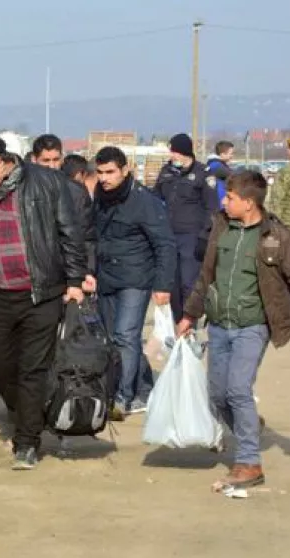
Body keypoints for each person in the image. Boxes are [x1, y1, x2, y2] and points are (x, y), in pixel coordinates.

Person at [0, 122, 87, 471]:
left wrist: (74, 279)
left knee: (32, 369)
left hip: (40, 293)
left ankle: (27, 442)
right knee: (0, 365)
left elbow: (70, 232)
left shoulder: (46, 182)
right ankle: (30, 413)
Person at [177, 170, 290, 490]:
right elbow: (205, 276)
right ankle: (248, 423)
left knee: (238, 389)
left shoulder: (278, 238)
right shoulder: (220, 228)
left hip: (253, 326)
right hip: (219, 325)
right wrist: (189, 315)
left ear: (249, 203)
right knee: (218, 395)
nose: (224, 202)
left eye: (231, 198)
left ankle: (250, 463)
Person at [92, 147, 176, 418]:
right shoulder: (100, 197)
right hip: (106, 277)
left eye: (110, 172)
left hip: (136, 279)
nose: (104, 178)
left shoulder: (145, 201)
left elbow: (164, 244)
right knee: (114, 339)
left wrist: (163, 285)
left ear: (124, 169)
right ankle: (144, 388)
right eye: (100, 172)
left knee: (125, 337)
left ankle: (122, 396)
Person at [154, 133, 219, 321]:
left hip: (191, 237)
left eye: (174, 152)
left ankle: (189, 323)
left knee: (188, 283)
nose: (172, 156)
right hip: (168, 236)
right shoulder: (166, 172)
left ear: (184, 152)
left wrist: (205, 235)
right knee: (171, 284)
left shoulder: (203, 174)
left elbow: (211, 208)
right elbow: (156, 198)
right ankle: (177, 322)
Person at [61, 154, 97, 271]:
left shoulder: (51, 189)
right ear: (80, 174)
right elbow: (86, 234)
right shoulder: (80, 193)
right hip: (79, 263)